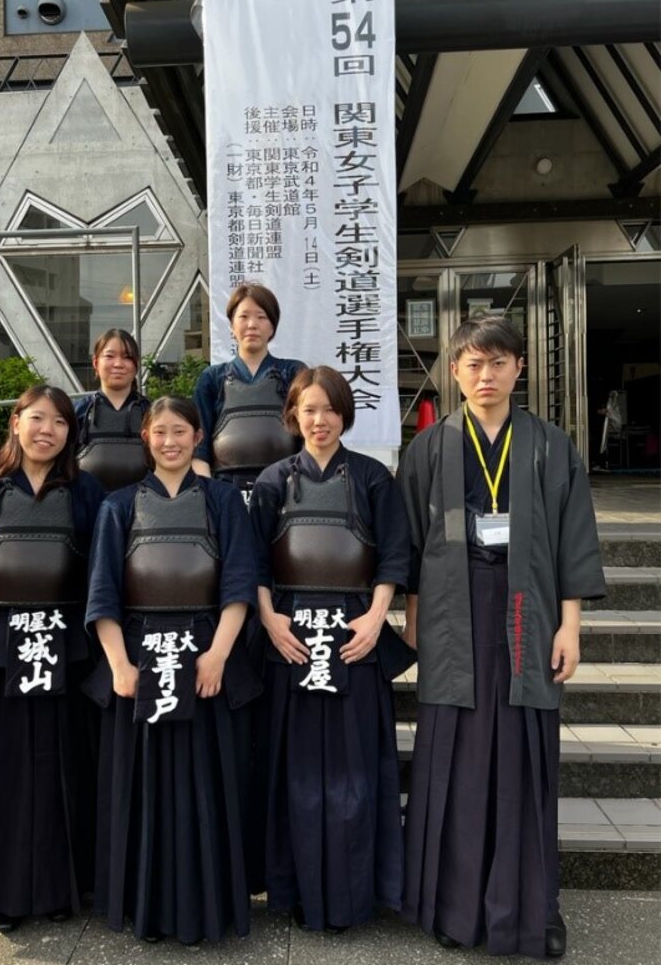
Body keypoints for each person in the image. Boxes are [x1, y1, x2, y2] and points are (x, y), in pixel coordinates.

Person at [398, 318, 606, 959]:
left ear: (519, 367)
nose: (484, 376)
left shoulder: (550, 445)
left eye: (497, 363)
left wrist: (570, 625)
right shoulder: (429, 448)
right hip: (451, 613)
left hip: (528, 610)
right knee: (454, 760)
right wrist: (411, 617)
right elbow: (409, 541)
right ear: (453, 372)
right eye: (471, 365)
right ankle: (452, 908)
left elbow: (573, 541)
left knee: (522, 759)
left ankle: (531, 910)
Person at [85, 396, 261, 944]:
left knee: (207, 782)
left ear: (198, 435)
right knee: (141, 786)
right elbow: (103, 594)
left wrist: (219, 655)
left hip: (204, 648)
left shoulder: (224, 501)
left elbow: (238, 583)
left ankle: (208, 906)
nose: (170, 441)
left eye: (180, 431)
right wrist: (119, 663)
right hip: (140, 654)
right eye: (159, 431)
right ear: (146, 437)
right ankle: (146, 907)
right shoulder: (118, 506)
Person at [249, 366, 412, 932]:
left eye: (329, 409)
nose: (319, 421)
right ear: (293, 415)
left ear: (345, 413)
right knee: (291, 772)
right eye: (308, 410)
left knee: (355, 773)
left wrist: (375, 617)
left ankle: (352, 895)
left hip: (352, 636)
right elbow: (253, 565)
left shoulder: (372, 477)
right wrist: (269, 619)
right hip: (290, 639)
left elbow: (393, 554)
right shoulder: (274, 480)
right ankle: (293, 891)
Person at [0, 385, 106, 933]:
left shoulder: (87, 492)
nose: (48, 430)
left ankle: (62, 886)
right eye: (37, 419)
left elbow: (98, 569)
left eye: (59, 422)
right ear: (16, 422)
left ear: (69, 432)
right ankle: (5, 892)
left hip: (64, 644)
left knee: (66, 764)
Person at [192, 282, 305, 497]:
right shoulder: (212, 379)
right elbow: (199, 446)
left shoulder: (293, 372)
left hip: (284, 487)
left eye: (261, 317)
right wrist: (209, 495)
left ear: (272, 326)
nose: (252, 324)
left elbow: (307, 438)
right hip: (226, 489)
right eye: (243, 316)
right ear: (231, 325)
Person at [75, 328, 150, 492]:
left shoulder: (151, 412)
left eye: (127, 357)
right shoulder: (80, 411)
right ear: (95, 363)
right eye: (109, 356)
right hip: (89, 506)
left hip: (142, 505)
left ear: (136, 365)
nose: (118, 364)